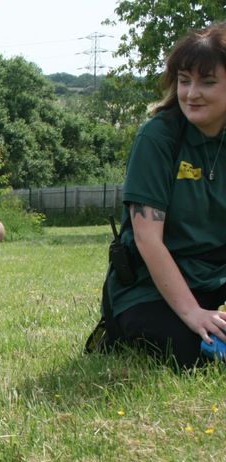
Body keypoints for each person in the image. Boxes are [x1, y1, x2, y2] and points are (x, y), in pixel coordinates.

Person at [103, 21, 226, 369]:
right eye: (184, 81)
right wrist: (194, 314)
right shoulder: (158, 139)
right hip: (149, 287)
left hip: (215, 277)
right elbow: (148, 240)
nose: (191, 93)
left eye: (208, 81)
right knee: (191, 349)